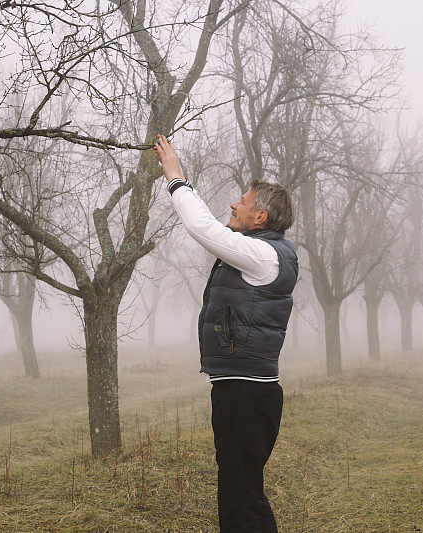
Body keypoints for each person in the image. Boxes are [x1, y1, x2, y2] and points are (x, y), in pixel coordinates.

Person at [153, 134, 298, 532]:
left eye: (243, 202)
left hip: (246, 394)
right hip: (242, 390)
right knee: (245, 492)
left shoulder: (263, 254)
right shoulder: (261, 252)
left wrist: (176, 178)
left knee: (239, 498)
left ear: (259, 218)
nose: (233, 204)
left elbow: (203, 229)